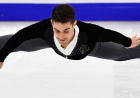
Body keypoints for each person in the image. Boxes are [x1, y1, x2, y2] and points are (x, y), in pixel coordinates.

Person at [0, 4, 140, 69]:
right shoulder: (45, 28)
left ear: (74, 24)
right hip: (50, 43)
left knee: (119, 52)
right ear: (51, 23)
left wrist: (128, 42)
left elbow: (110, 35)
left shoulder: (89, 32)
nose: (61, 36)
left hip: (86, 48)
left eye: (66, 30)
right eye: (57, 30)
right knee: (24, 43)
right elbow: (19, 37)